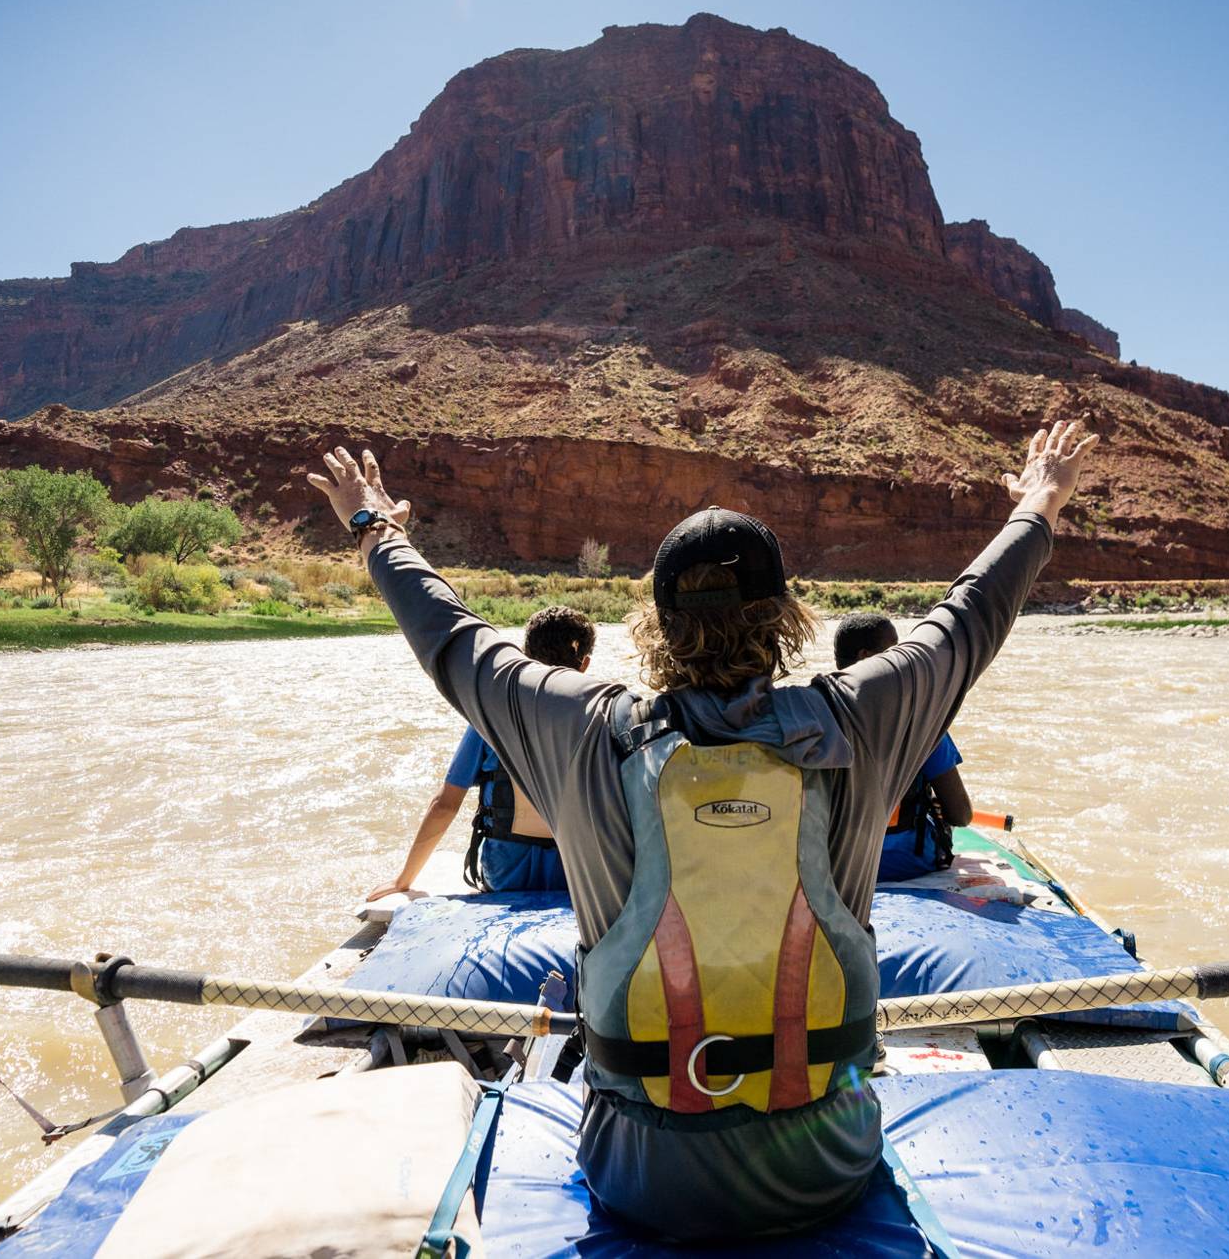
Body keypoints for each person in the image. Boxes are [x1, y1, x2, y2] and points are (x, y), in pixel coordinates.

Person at [309, 418, 1097, 1242]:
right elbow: (970, 615)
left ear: (656, 626)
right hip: (825, 1167)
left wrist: (375, 527)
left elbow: (451, 636)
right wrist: (1040, 501)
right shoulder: (862, 717)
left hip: (640, 1177)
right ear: (786, 618)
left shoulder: (584, 728)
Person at [367, 605, 595, 898]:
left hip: (505, 872)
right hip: (574, 873)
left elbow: (445, 805)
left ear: (523, 655)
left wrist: (403, 880)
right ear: (584, 664)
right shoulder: (598, 718)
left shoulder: (490, 717)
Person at [832, 613, 974, 881]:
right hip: (908, 862)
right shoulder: (923, 720)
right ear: (866, 658)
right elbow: (961, 815)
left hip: (838, 863)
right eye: (894, 650)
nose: (902, 658)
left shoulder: (816, 714)